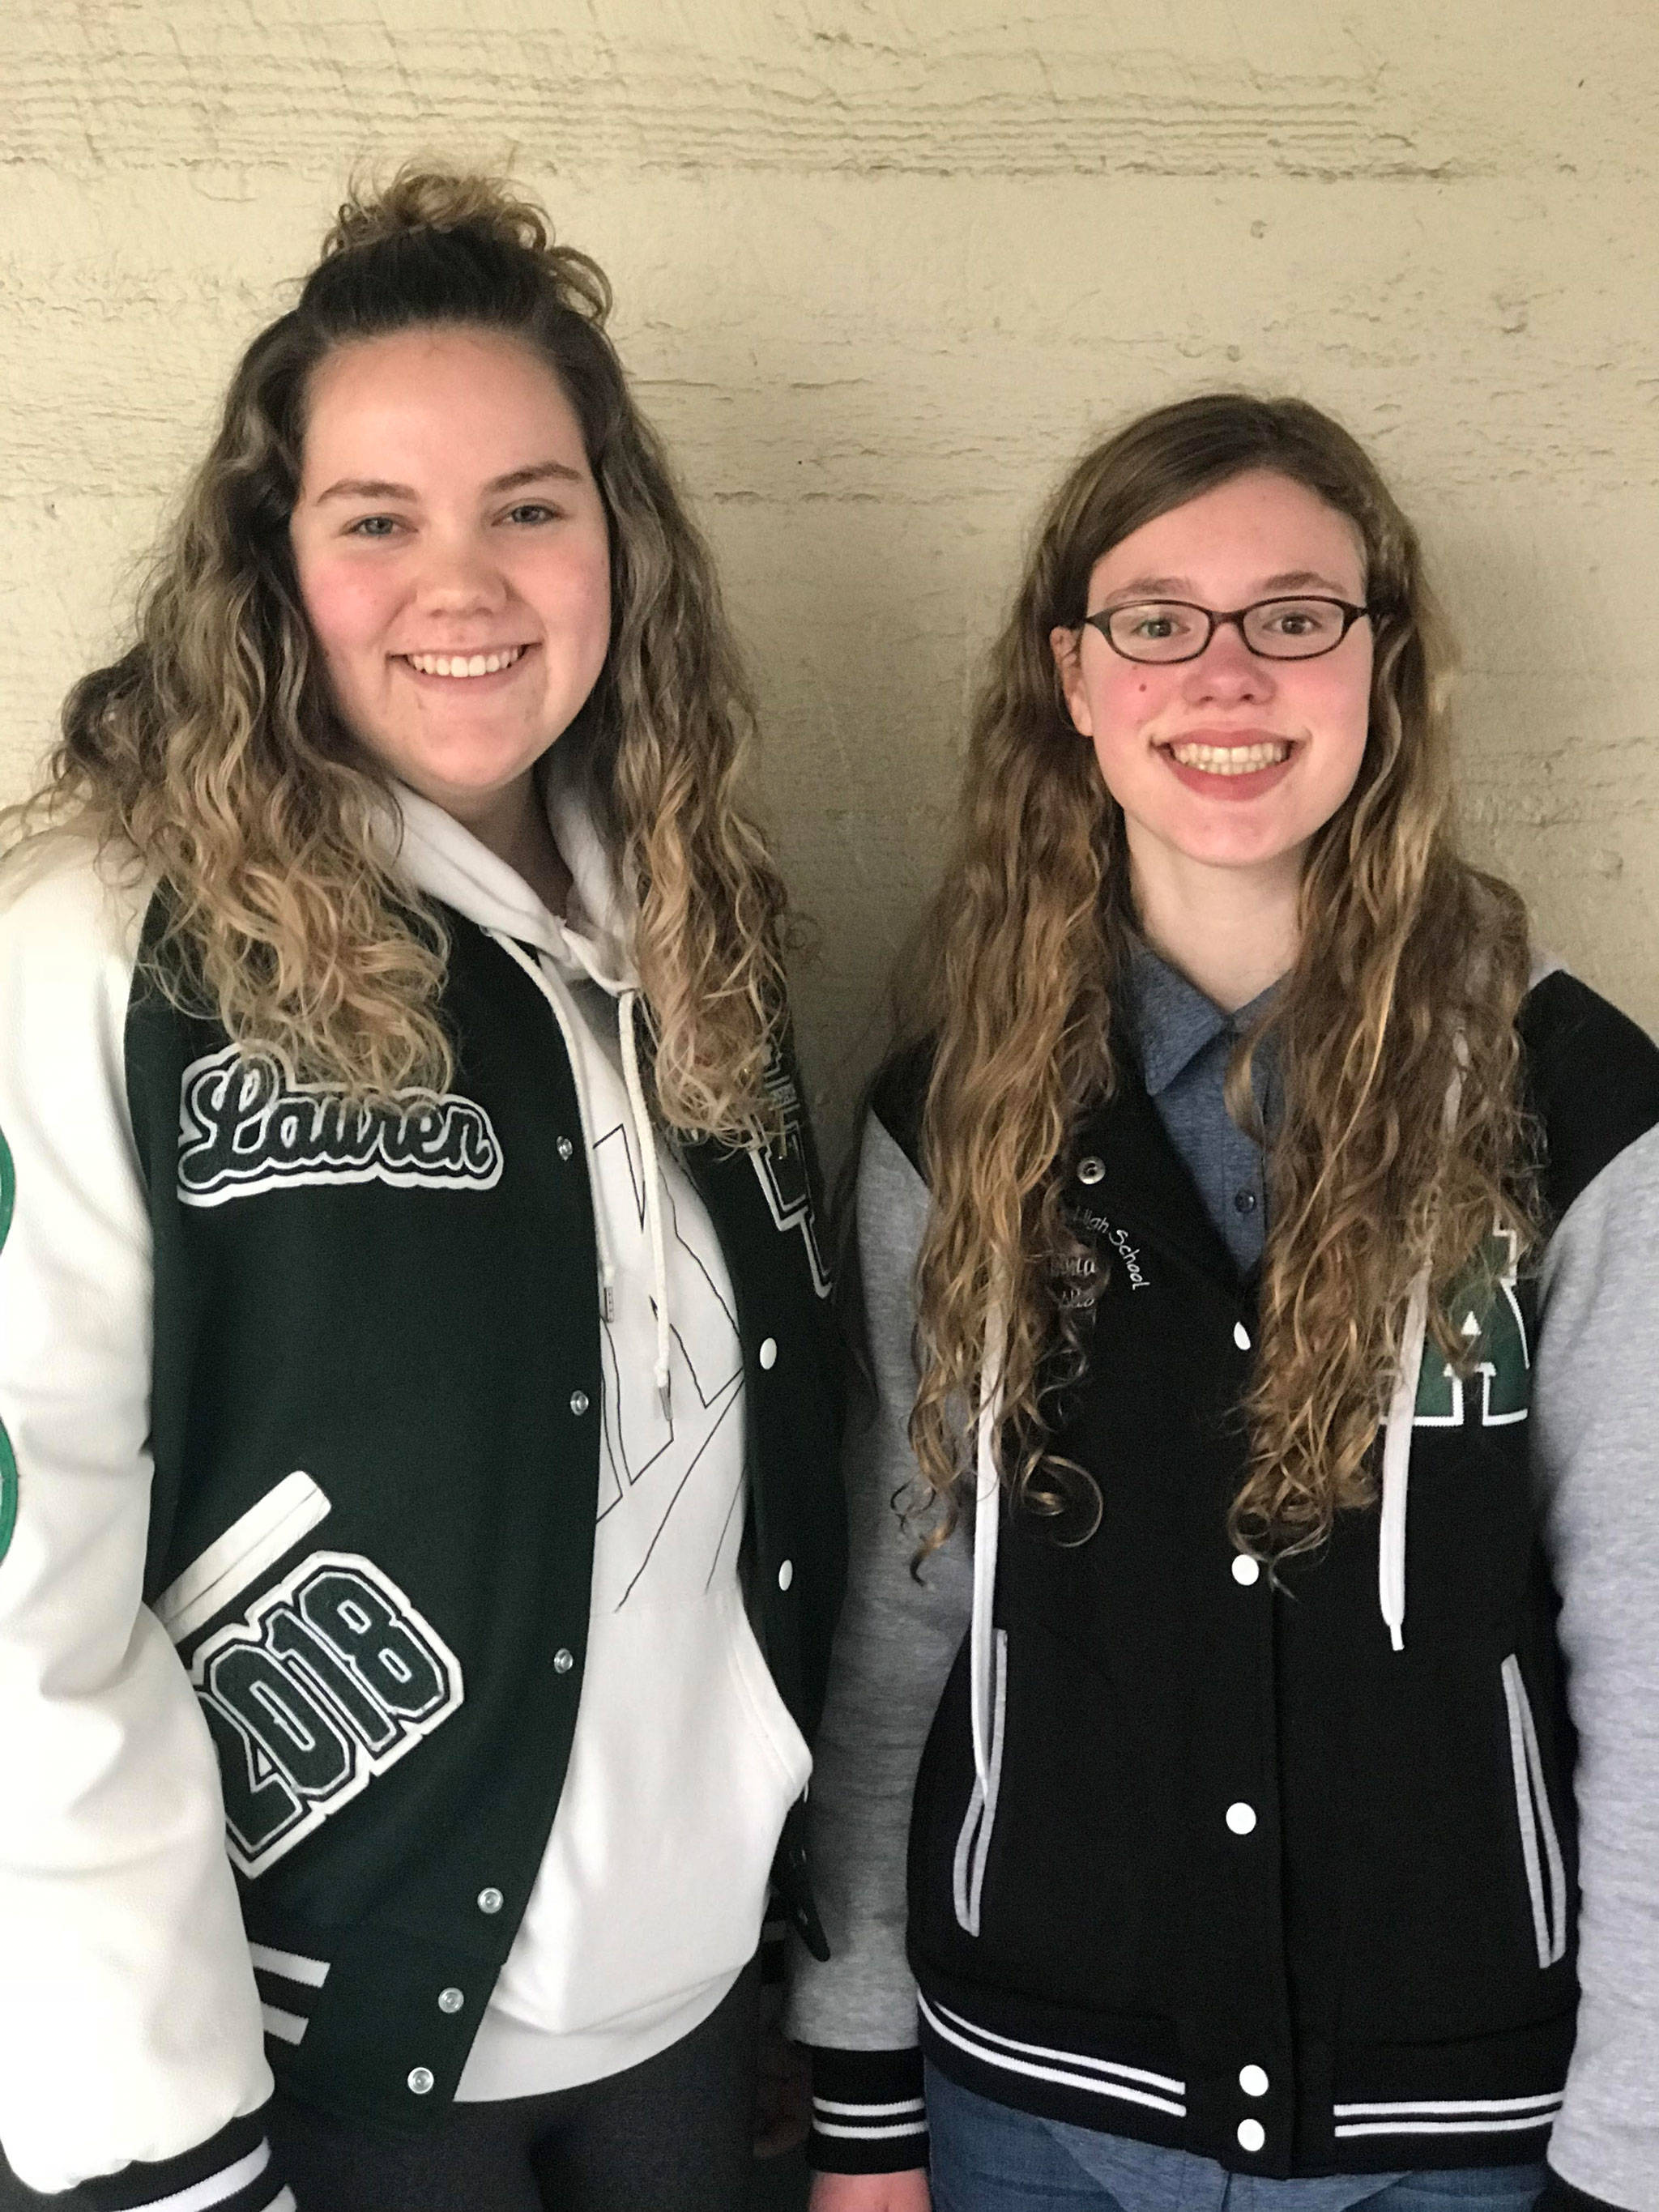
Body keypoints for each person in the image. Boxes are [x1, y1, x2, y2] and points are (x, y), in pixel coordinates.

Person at [0, 167, 843, 2212]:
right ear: (270, 563)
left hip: (685, 2019)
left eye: (527, 506)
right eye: (377, 517)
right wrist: (153, 2146)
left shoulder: (696, 920)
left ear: (617, 544)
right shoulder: (103, 945)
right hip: (327, 2058)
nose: (459, 580)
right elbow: (32, 1587)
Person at [787, 394, 1659, 2212]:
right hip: (1031, 2104)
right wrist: (860, 2076)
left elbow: (1648, 1652)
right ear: (1075, 682)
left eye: (1294, 616)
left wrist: (1630, 2143)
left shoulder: (1572, 1106)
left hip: (1461, 2130)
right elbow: (899, 1610)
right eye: (1157, 620)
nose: (1227, 674)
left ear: (1383, 663)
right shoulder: (951, 1125)